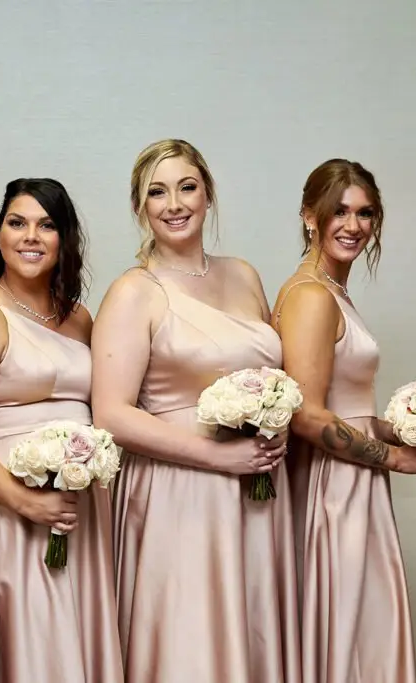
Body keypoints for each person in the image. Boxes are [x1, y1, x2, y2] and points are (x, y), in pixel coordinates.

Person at [92, 138, 300, 682]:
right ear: (140, 208)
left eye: (187, 187)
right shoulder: (133, 292)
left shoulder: (245, 275)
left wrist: (274, 420)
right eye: (156, 192)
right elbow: (111, 413)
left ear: (207, 194)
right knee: (189, 638)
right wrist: (217, 458)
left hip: (257, 492)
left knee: (250, 626)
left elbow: (276, 377)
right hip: (177, 492)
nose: (174, 203)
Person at [271, 158, 416, 683]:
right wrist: (396, 457)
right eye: (339, 211)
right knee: (349, 631)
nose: (352, 225)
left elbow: (344, 406)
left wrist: (406, 429)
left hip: (351, 476)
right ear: (310, 216)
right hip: (334, 487)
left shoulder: (331, 291)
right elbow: (307, 414)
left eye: (365, 213)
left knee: (361, 629)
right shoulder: (310, 296)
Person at [0, 179, 123, 683]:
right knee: (30, 648)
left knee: (72, 644)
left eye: (47, 225)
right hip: (8, 509)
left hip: (79, 511)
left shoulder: (79, 319)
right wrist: (24, 500)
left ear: (65, 240)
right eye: (17, 223)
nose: (31, 236)